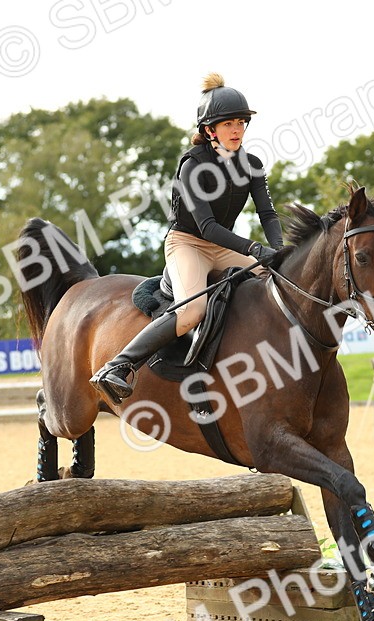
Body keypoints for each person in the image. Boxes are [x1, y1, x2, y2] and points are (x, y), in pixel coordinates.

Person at [91, 74, 283, 403]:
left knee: (276, 279)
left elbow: (267, 215)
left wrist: (279, 253)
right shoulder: (193, 166)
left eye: (241, 123)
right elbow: (206, 227)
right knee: (192, 311)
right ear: (210, 130)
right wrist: (253, 248)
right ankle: (118, 366)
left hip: (223, 247)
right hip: (188, 244)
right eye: (228, 124)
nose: (237, 130)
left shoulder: (252, 165)